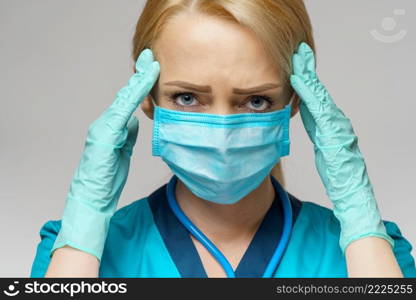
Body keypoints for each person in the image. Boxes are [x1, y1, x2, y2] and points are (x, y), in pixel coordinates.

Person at [30, 0, 415, 278]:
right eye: (187, 97)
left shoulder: (374, 255)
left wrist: (359, 216)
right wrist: (83, 228)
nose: (223, 132)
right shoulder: (74, 255)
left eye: (256, 100)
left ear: (295, 103)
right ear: (146, 99)